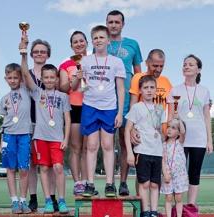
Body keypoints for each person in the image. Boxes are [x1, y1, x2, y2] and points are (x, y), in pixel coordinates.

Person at [72, 25, 125, 197]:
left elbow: (120, 89)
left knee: (108, 145)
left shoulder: (116, 62)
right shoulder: (85, 62)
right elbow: (82, 89)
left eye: (102, 37)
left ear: (108, 41)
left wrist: (119, 113)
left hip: (109, 108)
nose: (98, 40)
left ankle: (110, 184)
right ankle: (90, 183)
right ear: (92, 42)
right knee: (92, 146)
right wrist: (80, 80)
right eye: (95, 38)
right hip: (90, 106)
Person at [20, 37, 71, 214]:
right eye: (46, 78)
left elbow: (68, 118)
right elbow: (25, 74)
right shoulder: (37, 91)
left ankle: (60, 199)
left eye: (52, 77)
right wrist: (23, 52)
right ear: (42, 78)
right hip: (36, 130)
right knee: (41, 166)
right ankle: (44, 200)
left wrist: (66, 137)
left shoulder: (61, 95)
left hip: (56, 134)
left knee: (57, 167)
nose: (49, 80)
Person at [106, 10, 143, 196]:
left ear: (122, 24)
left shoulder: (132, 44)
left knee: (124, 141)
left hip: (127, 100)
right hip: (105, 101)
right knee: (106, 143)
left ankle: (122, 182)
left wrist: (141, 99)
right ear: (106, 24)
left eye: (117, 22)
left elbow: (138, 74)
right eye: (110, 22)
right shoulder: (101, 43)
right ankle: (109, 182)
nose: (113, 25)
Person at [167, 54, 213, 205]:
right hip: (180, 140)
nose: (186, 66)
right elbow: (170, 117)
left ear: (198, 69)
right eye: (185, 64)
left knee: (194, 174)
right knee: (176, 174)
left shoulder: (204, 91)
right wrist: (170, 137)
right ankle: (177, 207)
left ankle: (190, 207)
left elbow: (207, 116)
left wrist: (209, 140)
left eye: (191, 64)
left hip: (199, 139)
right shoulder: (175, 90)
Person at [125, 75, 166, 217]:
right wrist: (130, 153)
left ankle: (154, 211)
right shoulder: (137, 107)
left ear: (156, 90)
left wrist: (164, 150)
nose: (149, 90)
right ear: (141, 91)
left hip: (157, 152)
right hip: (142, 150)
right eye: (146, 88)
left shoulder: (160, 109)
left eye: (152, 87)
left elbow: (160, 131)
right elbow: (127, 130)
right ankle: (145, 211)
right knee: (144, 183)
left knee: (155, 184)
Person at [27, 39, 58, 212]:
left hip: (49, 123)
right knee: (33, 162)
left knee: (51, 163)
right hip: (30, 121)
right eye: (36, 51)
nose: (39, 54)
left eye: (43, 51)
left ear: (48, 54)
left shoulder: (52, 73)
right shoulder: (27, 74)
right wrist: (23, 50)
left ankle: (52, 197)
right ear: (32, 54)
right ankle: (33, 197)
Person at [0, 63, 32, 214]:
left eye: (15, 78)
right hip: (8, 136)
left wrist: (23, 51)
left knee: (24, 169)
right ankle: (14, 201)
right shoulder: (4, 99)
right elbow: (4, 120)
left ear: (20, 79)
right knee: (10, 169)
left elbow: (25, 71)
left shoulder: (26, 91)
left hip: (24, 134)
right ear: (5, 79)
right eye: (9, 78)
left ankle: (23, 201)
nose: (12, 80)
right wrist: (1, 140)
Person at [59, 30, 88, 196]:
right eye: (75, 42)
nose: (79, 44)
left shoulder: (94, 61)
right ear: (71, 45)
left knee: (88, 148)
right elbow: (63, 88)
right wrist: (75, 79)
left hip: (91, 107)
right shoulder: (65, 65)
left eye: (81, 41)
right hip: (74, 107)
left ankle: (86, 181)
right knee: (76, 147)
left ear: (86, 43)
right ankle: (77, 182)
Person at [161, 118, 188, 217]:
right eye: (168, 127)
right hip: (168, 174)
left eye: (173, 128)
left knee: (179, 197)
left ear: (178, 133)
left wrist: (179, 119)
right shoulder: (163, 145)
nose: (169, 129)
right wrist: (165, 173)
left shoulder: (180, 142)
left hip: (179, 175)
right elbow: (162, 160)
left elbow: (183, 131)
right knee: (168, 197)